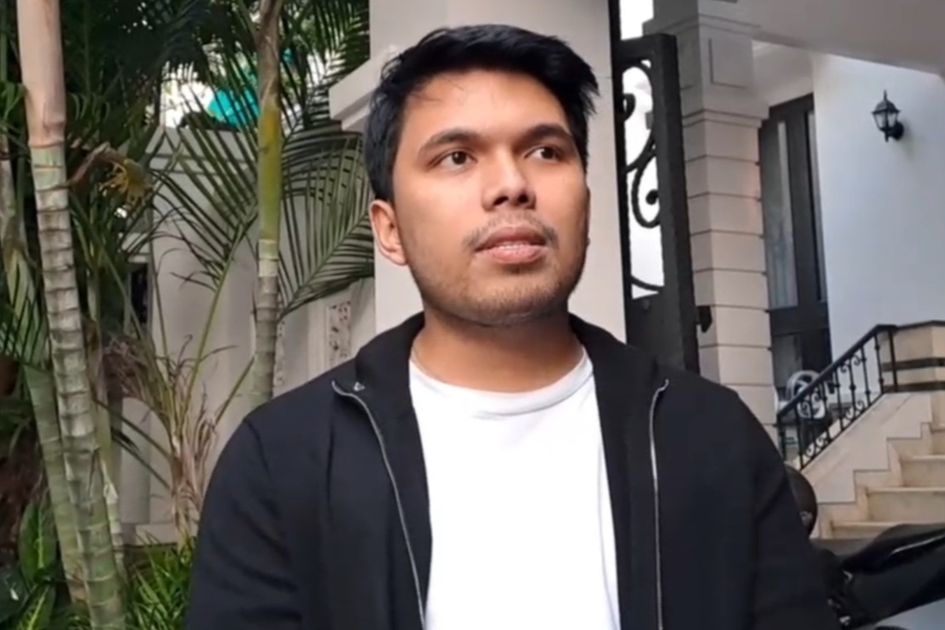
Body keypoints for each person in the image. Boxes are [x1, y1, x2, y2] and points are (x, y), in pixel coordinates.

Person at [187, 24, 838, 630]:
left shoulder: (712, 439)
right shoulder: (284, 463)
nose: (511, 185)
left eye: (545, 151)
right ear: (390, 230)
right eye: (456, 157)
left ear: (586, 200)